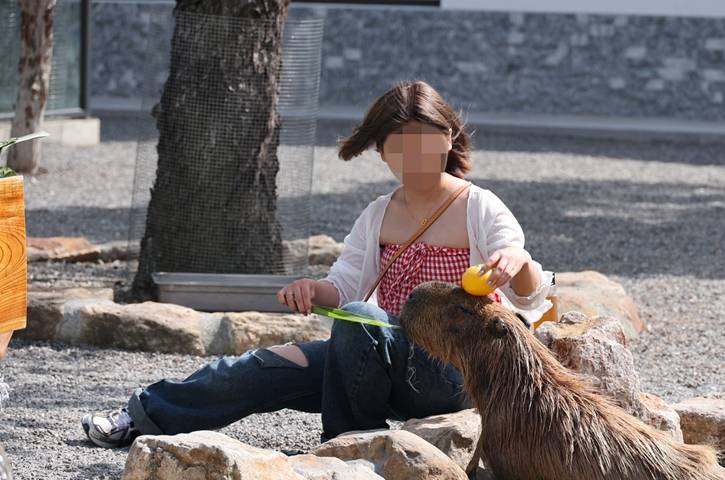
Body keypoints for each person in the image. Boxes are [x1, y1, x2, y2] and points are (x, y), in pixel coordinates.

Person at [81, 80, 554, 449]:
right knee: (262, 365)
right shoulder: (379, 214)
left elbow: (529, 294)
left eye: (424, 142)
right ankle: (141, 416)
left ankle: (347, 448)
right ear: (381, 150)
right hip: (379, 363)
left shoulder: (480, 208)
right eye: (398, 145)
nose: (412, 156)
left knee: (364, 319)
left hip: (455, 373)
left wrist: (518, 260)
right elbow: (345, 287)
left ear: (449, 138)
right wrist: (312, 289)